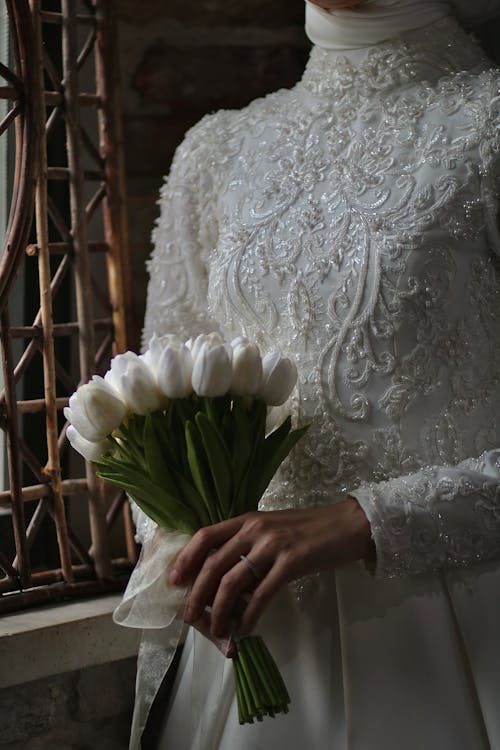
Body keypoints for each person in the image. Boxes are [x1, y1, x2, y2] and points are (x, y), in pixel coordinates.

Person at [128, 1, 500, 748]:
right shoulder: (217, 151)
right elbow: (158, 400)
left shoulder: (486, 124)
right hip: (250, 644)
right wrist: (186, 546)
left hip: (458, 638)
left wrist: (366, 518)